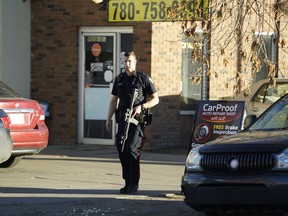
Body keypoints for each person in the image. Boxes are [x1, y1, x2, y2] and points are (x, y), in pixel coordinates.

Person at [106, 51, 159, 194]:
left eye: (129, 61)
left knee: (131, 149)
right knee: (121, 147)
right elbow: (113, 100)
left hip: (137, 121)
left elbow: (155, 99)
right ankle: (127, 181)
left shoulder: (143, 79)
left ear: (135, 62)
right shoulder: (119, 79)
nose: (127, 64)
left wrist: (142, 106)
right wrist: (108, 118)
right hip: (123, 119)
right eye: (125, 61)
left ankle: (134, 183)